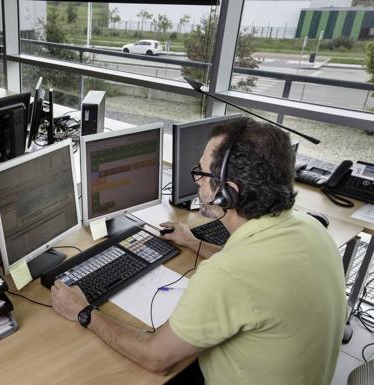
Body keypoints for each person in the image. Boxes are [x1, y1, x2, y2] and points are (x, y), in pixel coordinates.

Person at [51, 117, 346, 385]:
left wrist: (84, 312)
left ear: (226, 192)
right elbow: (256, 277)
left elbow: (157, 358)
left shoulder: (228, 274)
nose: (197, 182)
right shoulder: (311, 229)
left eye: (201, 173)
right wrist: (193, 243)